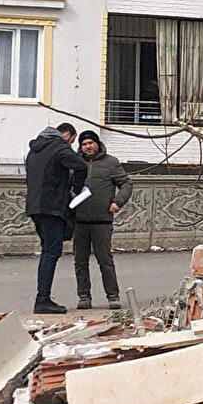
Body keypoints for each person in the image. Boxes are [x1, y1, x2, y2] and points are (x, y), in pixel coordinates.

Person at [25, 123, 88, 314]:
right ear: (67, 135)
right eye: (73, 141)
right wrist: (75, 191)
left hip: (35, 207)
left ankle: (43, 297)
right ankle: (42, 299)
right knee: (51, 253)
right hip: (52, 208)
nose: (71, 145)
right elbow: (81, 166)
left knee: (47, 251)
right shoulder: (59, 147)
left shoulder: (34, 151)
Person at [73, 130, 132, 310]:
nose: (88, 146)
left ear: (97, 143)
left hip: (102, 222)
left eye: (91, 143)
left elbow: (126, 184)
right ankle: (84, 296)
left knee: (105, 260)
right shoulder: (74, 162)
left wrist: (117, 202)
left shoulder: (111, 163)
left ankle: (113, 296)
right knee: (80, 261)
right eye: (84, 144)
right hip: (79, 221)